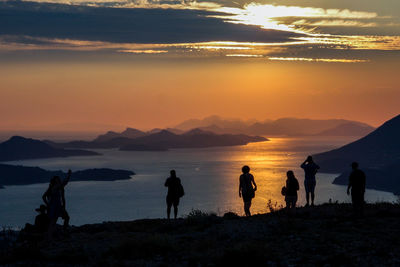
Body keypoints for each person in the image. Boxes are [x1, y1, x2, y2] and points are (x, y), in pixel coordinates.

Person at [42, 170, 71, 238]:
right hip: (55, 207)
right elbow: (64, 182)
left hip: (58, 206)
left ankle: (63, 231)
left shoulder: (59, 188)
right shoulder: (55, 187)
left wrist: (63, 206)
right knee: (53, 222)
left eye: (58, 179)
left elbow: (62, 197)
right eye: (57, 179)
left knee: (66, 217)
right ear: (55, 181)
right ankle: (49, 236)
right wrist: (69, 175)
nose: (58, 180)